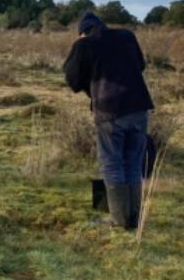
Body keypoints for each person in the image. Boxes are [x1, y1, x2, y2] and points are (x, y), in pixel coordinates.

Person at [64, 12, 154, 229]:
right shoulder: (126, 36)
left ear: (83, 32)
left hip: (109, 109)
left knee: (111, 162)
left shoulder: (84, 45)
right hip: (139, 107)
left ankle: (118, 220)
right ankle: (133, 218)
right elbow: (140, 65)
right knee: (133, 162)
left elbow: (73, 80)